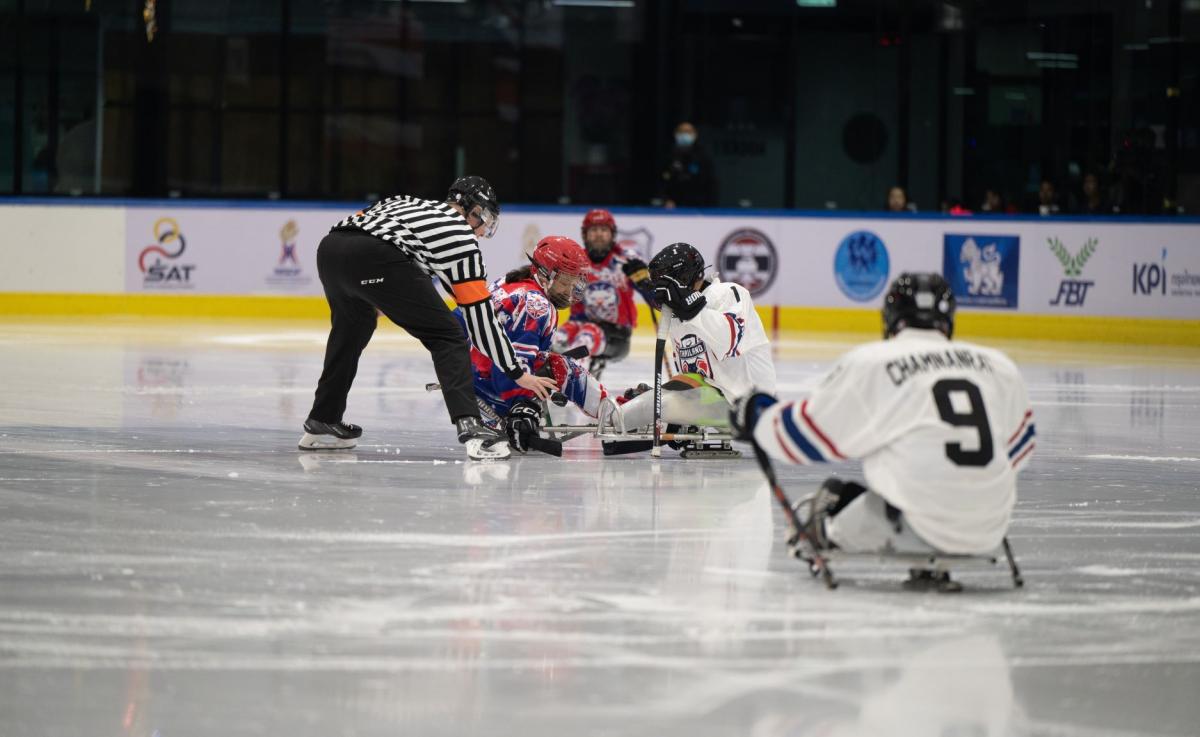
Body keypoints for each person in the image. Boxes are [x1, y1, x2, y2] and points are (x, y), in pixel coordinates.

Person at [733, 273, 1035, 562]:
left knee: (824, 512)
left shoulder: (873, 362)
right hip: (990, 528)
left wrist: (759, 416)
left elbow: (806, 436)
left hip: (916, 525)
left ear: (889, 317)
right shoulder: (999, 366)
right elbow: (1019, 450)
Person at [299, 175, 558, 459]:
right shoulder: (461, 237)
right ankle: (471, 427)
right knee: (448, 337)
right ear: (474, 211)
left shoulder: (406, 202)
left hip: (331, 249)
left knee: (352, 330)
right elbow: (480, 320)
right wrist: (517, 373)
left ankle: (323, 419)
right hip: (378, 257)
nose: (483, 232)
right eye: (486, 221)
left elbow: (361, 225)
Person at [457, 235, 635, 453]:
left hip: (469, 379)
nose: (570, 290)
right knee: (562, 367)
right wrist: (520, 407)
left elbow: (459, 322)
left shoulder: (509, 283)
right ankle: (618, 415)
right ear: (545, 274)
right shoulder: (537, 305)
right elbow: (513, 362)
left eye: (574, 281)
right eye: (566, 281)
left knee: (549, 361)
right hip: (490, 388)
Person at [609, 242, 776, 433]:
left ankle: (663, 420)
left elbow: (729, 340)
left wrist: (690, 308)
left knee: (648, 408)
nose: (661, 289)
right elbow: (695, 376)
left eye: (665, 282)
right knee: (642, 403)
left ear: (684, 276)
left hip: (747, 405)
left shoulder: (727, 293)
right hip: (713, 397)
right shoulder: (677, 313)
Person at [553, 208, 655, 379]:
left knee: (586, 336)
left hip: (616, 335)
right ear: (585, 235)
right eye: (594, 230)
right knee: (556, 339)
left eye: (603, 230)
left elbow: (654, 299)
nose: (599, 234)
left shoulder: (627, 260)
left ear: (612, 234)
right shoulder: (577, 262)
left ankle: (576, 384)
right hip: (578, 325)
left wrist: (644, 280)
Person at [659, 121, 718, 208]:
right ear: (675, 134)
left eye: (688, 132)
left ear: (695, 135)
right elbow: (662, 181)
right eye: (681, 132)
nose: (684, 135)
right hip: (674, 204)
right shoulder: (669, 155)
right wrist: (665, 199)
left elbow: (711, 183)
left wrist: (710, 205)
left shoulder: (703, 156)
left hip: (699, 204)